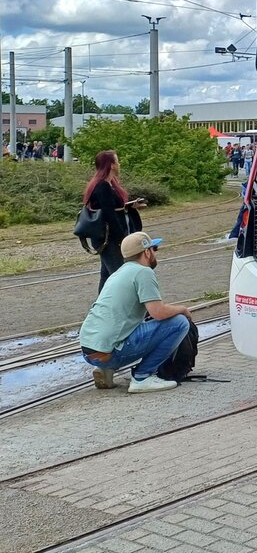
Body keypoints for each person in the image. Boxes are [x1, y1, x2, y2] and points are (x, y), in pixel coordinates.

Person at [80, 231, 191, 393]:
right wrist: (183, 309)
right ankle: (142, 377)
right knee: (179, 322)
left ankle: (106, 369)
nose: (155, 253)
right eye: (154, 249)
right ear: (146, 252)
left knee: (133, 324)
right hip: (109, 353)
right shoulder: (144, 272)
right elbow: (158, 312)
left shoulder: (118, 273)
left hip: (89, 350)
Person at [82, 150, 147, 292]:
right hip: (109, 238)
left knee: (106, 275)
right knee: (120, 276)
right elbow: (109, 215)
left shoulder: (108, 184)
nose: (119, 164)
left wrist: (130, 206)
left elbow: (112, 208)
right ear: (111, 165)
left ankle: (100, 308)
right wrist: (122, 239)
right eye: (117, 161)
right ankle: (135, 309)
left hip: (107, 237)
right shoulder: (102, 186)